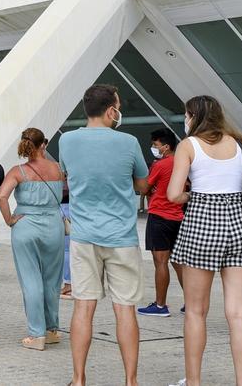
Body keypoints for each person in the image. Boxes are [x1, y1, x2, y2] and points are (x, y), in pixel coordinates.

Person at [168, 95, 242, 386]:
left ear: (193, 116)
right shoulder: (241, 145)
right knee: (239, 313)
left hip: (202, 224)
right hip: (239, 224)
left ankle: (194, 382)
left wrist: (191, 195)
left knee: (196, 311)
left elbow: (172, 194)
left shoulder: (188, 146)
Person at [60, 84, 148, 386]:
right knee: (125, 310)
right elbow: (142, 184)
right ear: (112, 110)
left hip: (84, 237)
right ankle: (131, 381)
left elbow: (67, 175)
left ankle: (79, 379)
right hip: (122, 237)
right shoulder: (129, 142)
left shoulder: (67, 141)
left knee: (83, 307)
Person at [0, 128, 65, 350]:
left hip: (26, 225)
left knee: (31, 280)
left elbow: (1, 196)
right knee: (52, 281)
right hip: (54, 225)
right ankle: (52, 330)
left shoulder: (19, 171)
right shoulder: (56, 168)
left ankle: (36, 335)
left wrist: (9, 220)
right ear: (43, 144)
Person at [138, 128, 185, 317]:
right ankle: (191, 302)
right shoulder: (183, 163)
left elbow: (144, 188)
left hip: (159, 215)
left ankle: (160, 305)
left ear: (166, 146)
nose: (153, 148)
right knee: (178, 261)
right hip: (178, 216)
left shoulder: (161, 164)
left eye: (155, 145)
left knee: (160, 262)